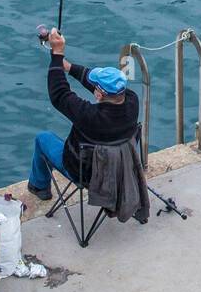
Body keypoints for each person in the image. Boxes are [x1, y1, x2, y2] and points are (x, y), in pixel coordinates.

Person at [27, 28, 140, 201]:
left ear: (99, 94)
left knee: (43, 139)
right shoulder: (132, 102)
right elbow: (95, 84)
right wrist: (67, 67)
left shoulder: (90, 117)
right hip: (120, 169)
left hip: (87, 175)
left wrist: (57, 54)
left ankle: (39, 187)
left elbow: (59, 94)